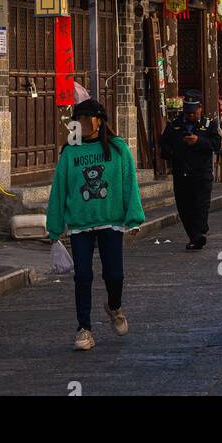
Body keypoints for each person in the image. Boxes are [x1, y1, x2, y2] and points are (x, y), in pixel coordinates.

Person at [46, 99, 145, 352]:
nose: (79, 123)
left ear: (98, 121)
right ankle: (84, 328)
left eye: (84, 119)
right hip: (80, 225)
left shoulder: (117, 148)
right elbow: (59, 191)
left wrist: (133, 216)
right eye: (76, 120)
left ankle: (114, 306)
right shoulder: (69, 153)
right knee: (83, 276)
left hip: (111, 222)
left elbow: (129, 184)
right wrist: (54, 227)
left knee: (114, 274)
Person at [159, 90, 222, 250]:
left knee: (200, 204)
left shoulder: (209, 125)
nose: (190, 115)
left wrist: (199, 141)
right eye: (187, 112)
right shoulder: (174, 124)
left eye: (193, 112)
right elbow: (164, 146)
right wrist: (176, 153)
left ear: (200, 108)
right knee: (184, 206)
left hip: (201, 173)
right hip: (182, 173)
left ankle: (199, 234)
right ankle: (194, 235)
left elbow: (216, 145)